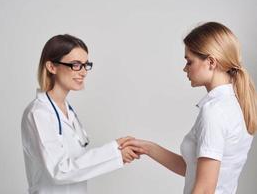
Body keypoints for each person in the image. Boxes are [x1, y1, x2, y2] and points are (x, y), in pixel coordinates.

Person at [120, 22, 257, 194]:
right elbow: (192, 169)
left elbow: (205, 189)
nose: (185, 68)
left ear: (211, 62)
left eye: (189, 61)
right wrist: (147, 148)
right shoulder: (234, 105)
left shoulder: (214, 111)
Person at [21, 34, 145, 194]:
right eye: (75, 65)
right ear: (51, 67)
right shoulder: (38, 113)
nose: (84, 72)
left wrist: (118, 153)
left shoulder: (67, 110)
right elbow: (60, 171)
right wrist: (114, 152)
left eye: (85, 65)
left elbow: (78, 164)